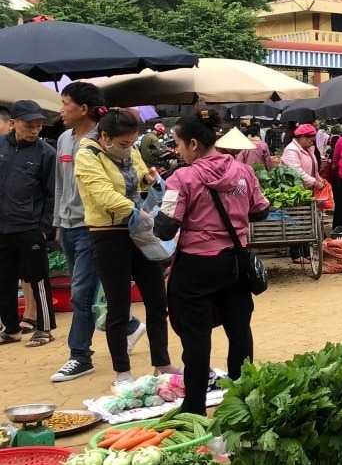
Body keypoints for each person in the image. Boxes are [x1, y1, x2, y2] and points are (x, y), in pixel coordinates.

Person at [159, 108, 269, 414]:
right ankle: (242, 398)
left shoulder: (182, 178)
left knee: (196, 337)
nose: (178, 150)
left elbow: (166, 226)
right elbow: (261, 211)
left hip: (196, 267)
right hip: (235, 264)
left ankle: (194, 406)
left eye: (179, 144)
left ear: (193, 144)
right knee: (239, 329)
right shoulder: (242, 171)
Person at [50, 84, 145, 381]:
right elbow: (61, 184)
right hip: (67, 226)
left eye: (65, 104)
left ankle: (80, 355)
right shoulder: (65, 139)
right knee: (90, 292)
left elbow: (128, 181)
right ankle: (128, 325)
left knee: (80, 293)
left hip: (93, 227)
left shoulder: (106, 143)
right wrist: (57, 221)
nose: (61, 109)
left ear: (83, 109)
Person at [74, 108, 173, 389]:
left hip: (140, 232)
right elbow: (102, 193)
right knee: (118, 305)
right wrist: (134, 210)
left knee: (157, 299)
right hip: (108, 234)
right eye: (122, 144)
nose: (128, 149)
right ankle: (122, 372)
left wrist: (149, 179)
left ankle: (162, 363)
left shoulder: (131, 150)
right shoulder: (87, 156)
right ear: (104, 136)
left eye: (132, 143)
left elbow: (140, 170)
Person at [0, 100, 56, 347]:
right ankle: (11, 329)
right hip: (3, 227)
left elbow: (52, 193)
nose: (34, 130)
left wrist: (44, 229)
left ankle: (44, 328)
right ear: (13, 124)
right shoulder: (0, 146)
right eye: (29, 125)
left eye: (38, 125)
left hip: (30, 227)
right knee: (4, 280)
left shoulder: (46, 153)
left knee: (39, 280)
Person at [279, 123, 325, 264]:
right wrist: (315, 182)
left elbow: (313, 166)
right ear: (302, 137)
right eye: (310, 139)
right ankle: (296, 254)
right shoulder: (291, 150)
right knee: (295, 221)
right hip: (294, 190)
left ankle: (306, 252)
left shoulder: (308, 148)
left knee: (306, 220)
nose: (312, 141)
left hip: (306, 190)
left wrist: (318, 177)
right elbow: (297, 172)